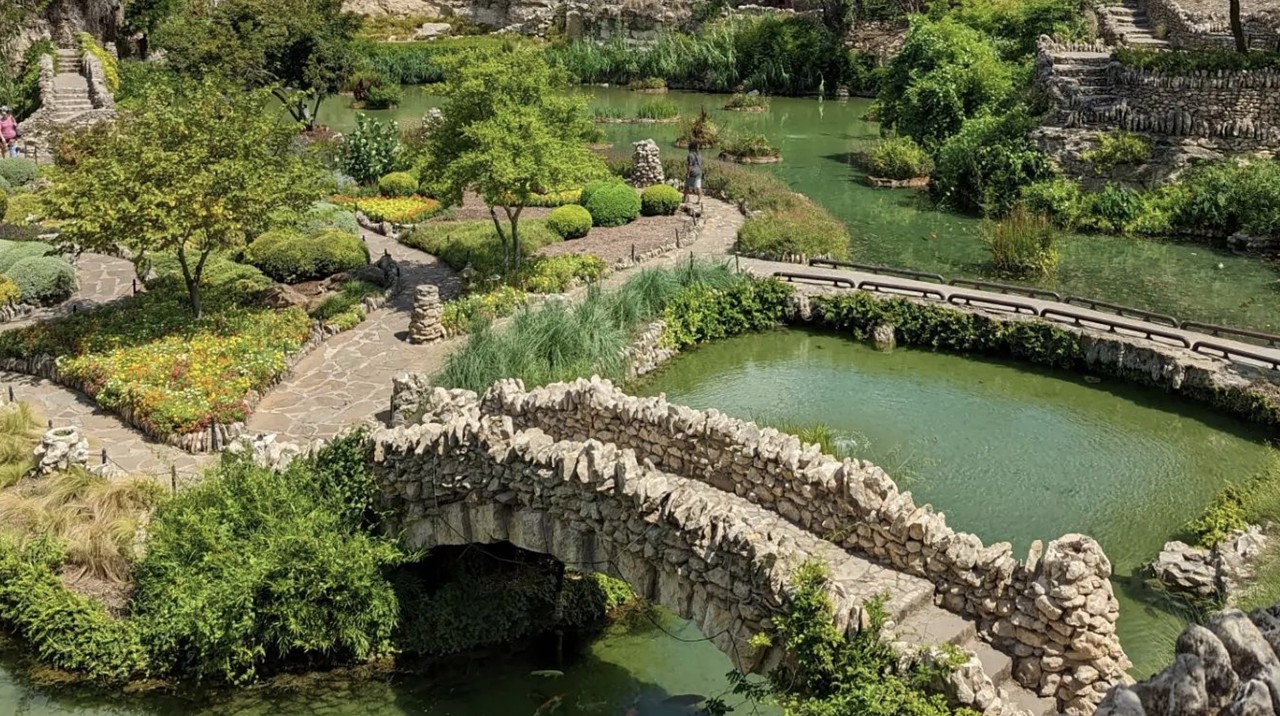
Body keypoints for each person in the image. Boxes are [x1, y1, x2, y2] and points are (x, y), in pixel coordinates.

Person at [683, 141, 703, 205]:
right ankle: (699, 200)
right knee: (698, 186)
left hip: (693, 172)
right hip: (699, 171)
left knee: (687, 186)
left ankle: (684, 198)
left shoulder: (690, 155)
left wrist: (688, 174)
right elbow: (699, 163)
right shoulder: (699, 155)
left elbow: (690, 165)